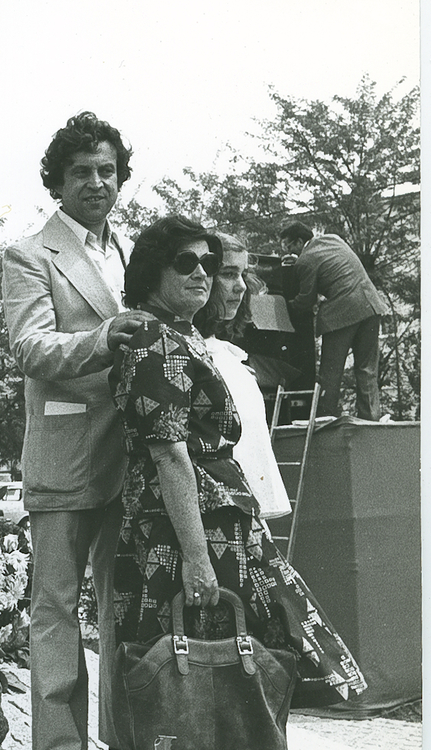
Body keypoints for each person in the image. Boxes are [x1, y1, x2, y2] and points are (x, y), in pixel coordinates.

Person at [110, 215, 366, 716]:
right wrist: (198, 558)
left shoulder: (180, 335)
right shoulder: (153, 340)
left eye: (209, 262)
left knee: (234, 670)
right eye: (186, 262)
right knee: (200, 674)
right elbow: (169, 454)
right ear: (150, 272)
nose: (202, 273)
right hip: (186, 529)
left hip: (218, 516)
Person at [1, 112, 150, 750]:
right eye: (81, 172)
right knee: (57, 610)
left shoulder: (130, 249)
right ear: (57, 182)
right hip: (66, 454)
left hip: (136, 451)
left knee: (126, 608)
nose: (96, 182)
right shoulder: (30, 254)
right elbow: (30, 348)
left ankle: (124, 739)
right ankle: (59, 744)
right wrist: (102, 340)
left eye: (107, 171)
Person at [193, 234, 290, 519]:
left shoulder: (229, 356)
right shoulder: (188, 353)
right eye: (228, 274)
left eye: (243, 274)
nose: (241, 286)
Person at [280, 222, 388, 420]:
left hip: (343, 313)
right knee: (367, 370)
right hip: (371, 305)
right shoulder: (334, 240)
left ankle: (323, 419)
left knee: (330, 372)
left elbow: (306, 300)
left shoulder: (305, 260)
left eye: (288, 246)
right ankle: (371, 419)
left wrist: (285, 304)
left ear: (299, 241)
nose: (289, 251)